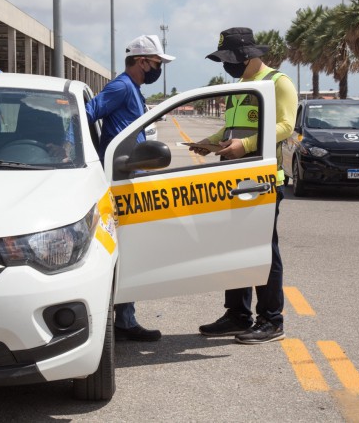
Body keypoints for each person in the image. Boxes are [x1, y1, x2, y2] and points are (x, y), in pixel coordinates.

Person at [192, 27, 297, 344]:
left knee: (264, 249)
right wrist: (210, 142)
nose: (227, 65)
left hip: (261, 179)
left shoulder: (278, 83)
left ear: (249, 55)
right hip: (232, 177)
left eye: (231, 59)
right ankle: (238, 314)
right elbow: (230, 129)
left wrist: (247, 144)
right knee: (233, 247)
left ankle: (271, 319)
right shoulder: (240, 86)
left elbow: (286, 125)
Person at [86, 34, 175, 341]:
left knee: (129, 250)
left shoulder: (133, 89)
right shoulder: (122, 87)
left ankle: (124, 318)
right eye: (156, 63)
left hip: (129, 177)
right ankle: (122, 320)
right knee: (122, 250)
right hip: (119, 179)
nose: (158, 68)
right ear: (141, 62)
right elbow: (87, 113)